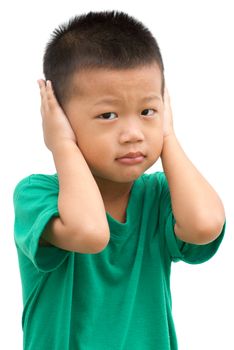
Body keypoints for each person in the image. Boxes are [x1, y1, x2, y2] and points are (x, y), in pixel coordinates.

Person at [13, 10, 226, 350]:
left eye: (147, 111)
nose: (132, 134)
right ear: (61, 118)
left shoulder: (158, 195)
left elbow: (205, 224)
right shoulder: (36, 194)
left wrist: (166, 136)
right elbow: (90, 232)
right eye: (108, 115)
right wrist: (62, 145)